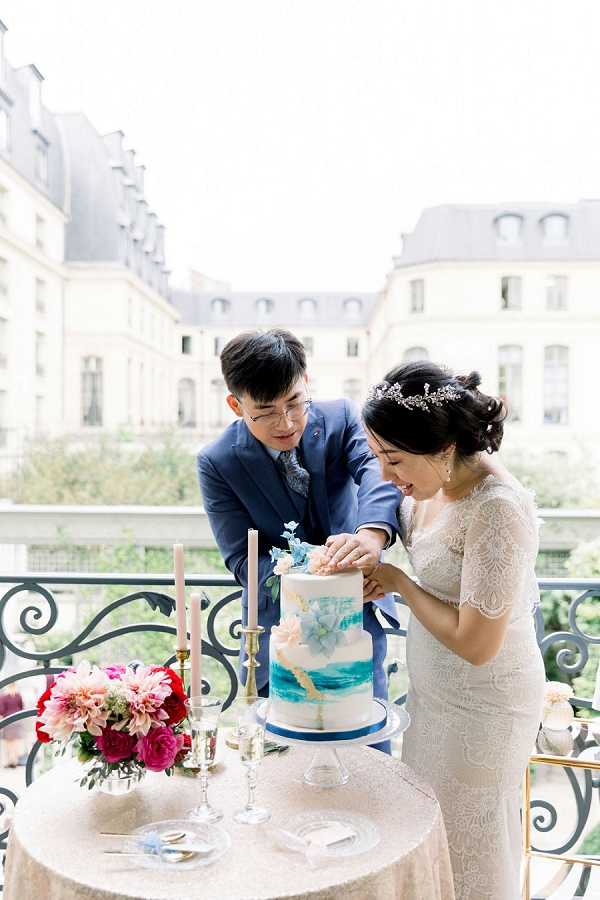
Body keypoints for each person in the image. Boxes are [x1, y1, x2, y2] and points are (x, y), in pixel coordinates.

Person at [359, 361, 545, 900]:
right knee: (434, 844)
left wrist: (399, 583)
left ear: (443, 448)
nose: (387, 476)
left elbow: (477, 643)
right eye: (378, 458)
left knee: (471, 850)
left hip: (486, 707)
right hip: (434, 700)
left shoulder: (497, 510)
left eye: (394, 460)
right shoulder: (431, 487)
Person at [197, 328, 402, 729]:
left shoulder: (342, 417)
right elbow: (243, 559)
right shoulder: (217, 462)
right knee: (282, 771)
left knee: (366, 752)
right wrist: (320, 573)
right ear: (235, 405)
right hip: (278, 638)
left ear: (306, 382)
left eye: (294, 402)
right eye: (266, 411)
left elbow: (378, 472)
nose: (287, 422)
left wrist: (370, 538)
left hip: (356, 621)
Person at [0, 682, 25, 768]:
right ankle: (15, 760)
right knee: (16, 741)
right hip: (17, 720)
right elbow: (22, 707)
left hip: (8, 720)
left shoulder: (3, 696)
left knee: (8, 742)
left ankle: (9, 760)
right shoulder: (18, 695)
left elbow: (1, 710)